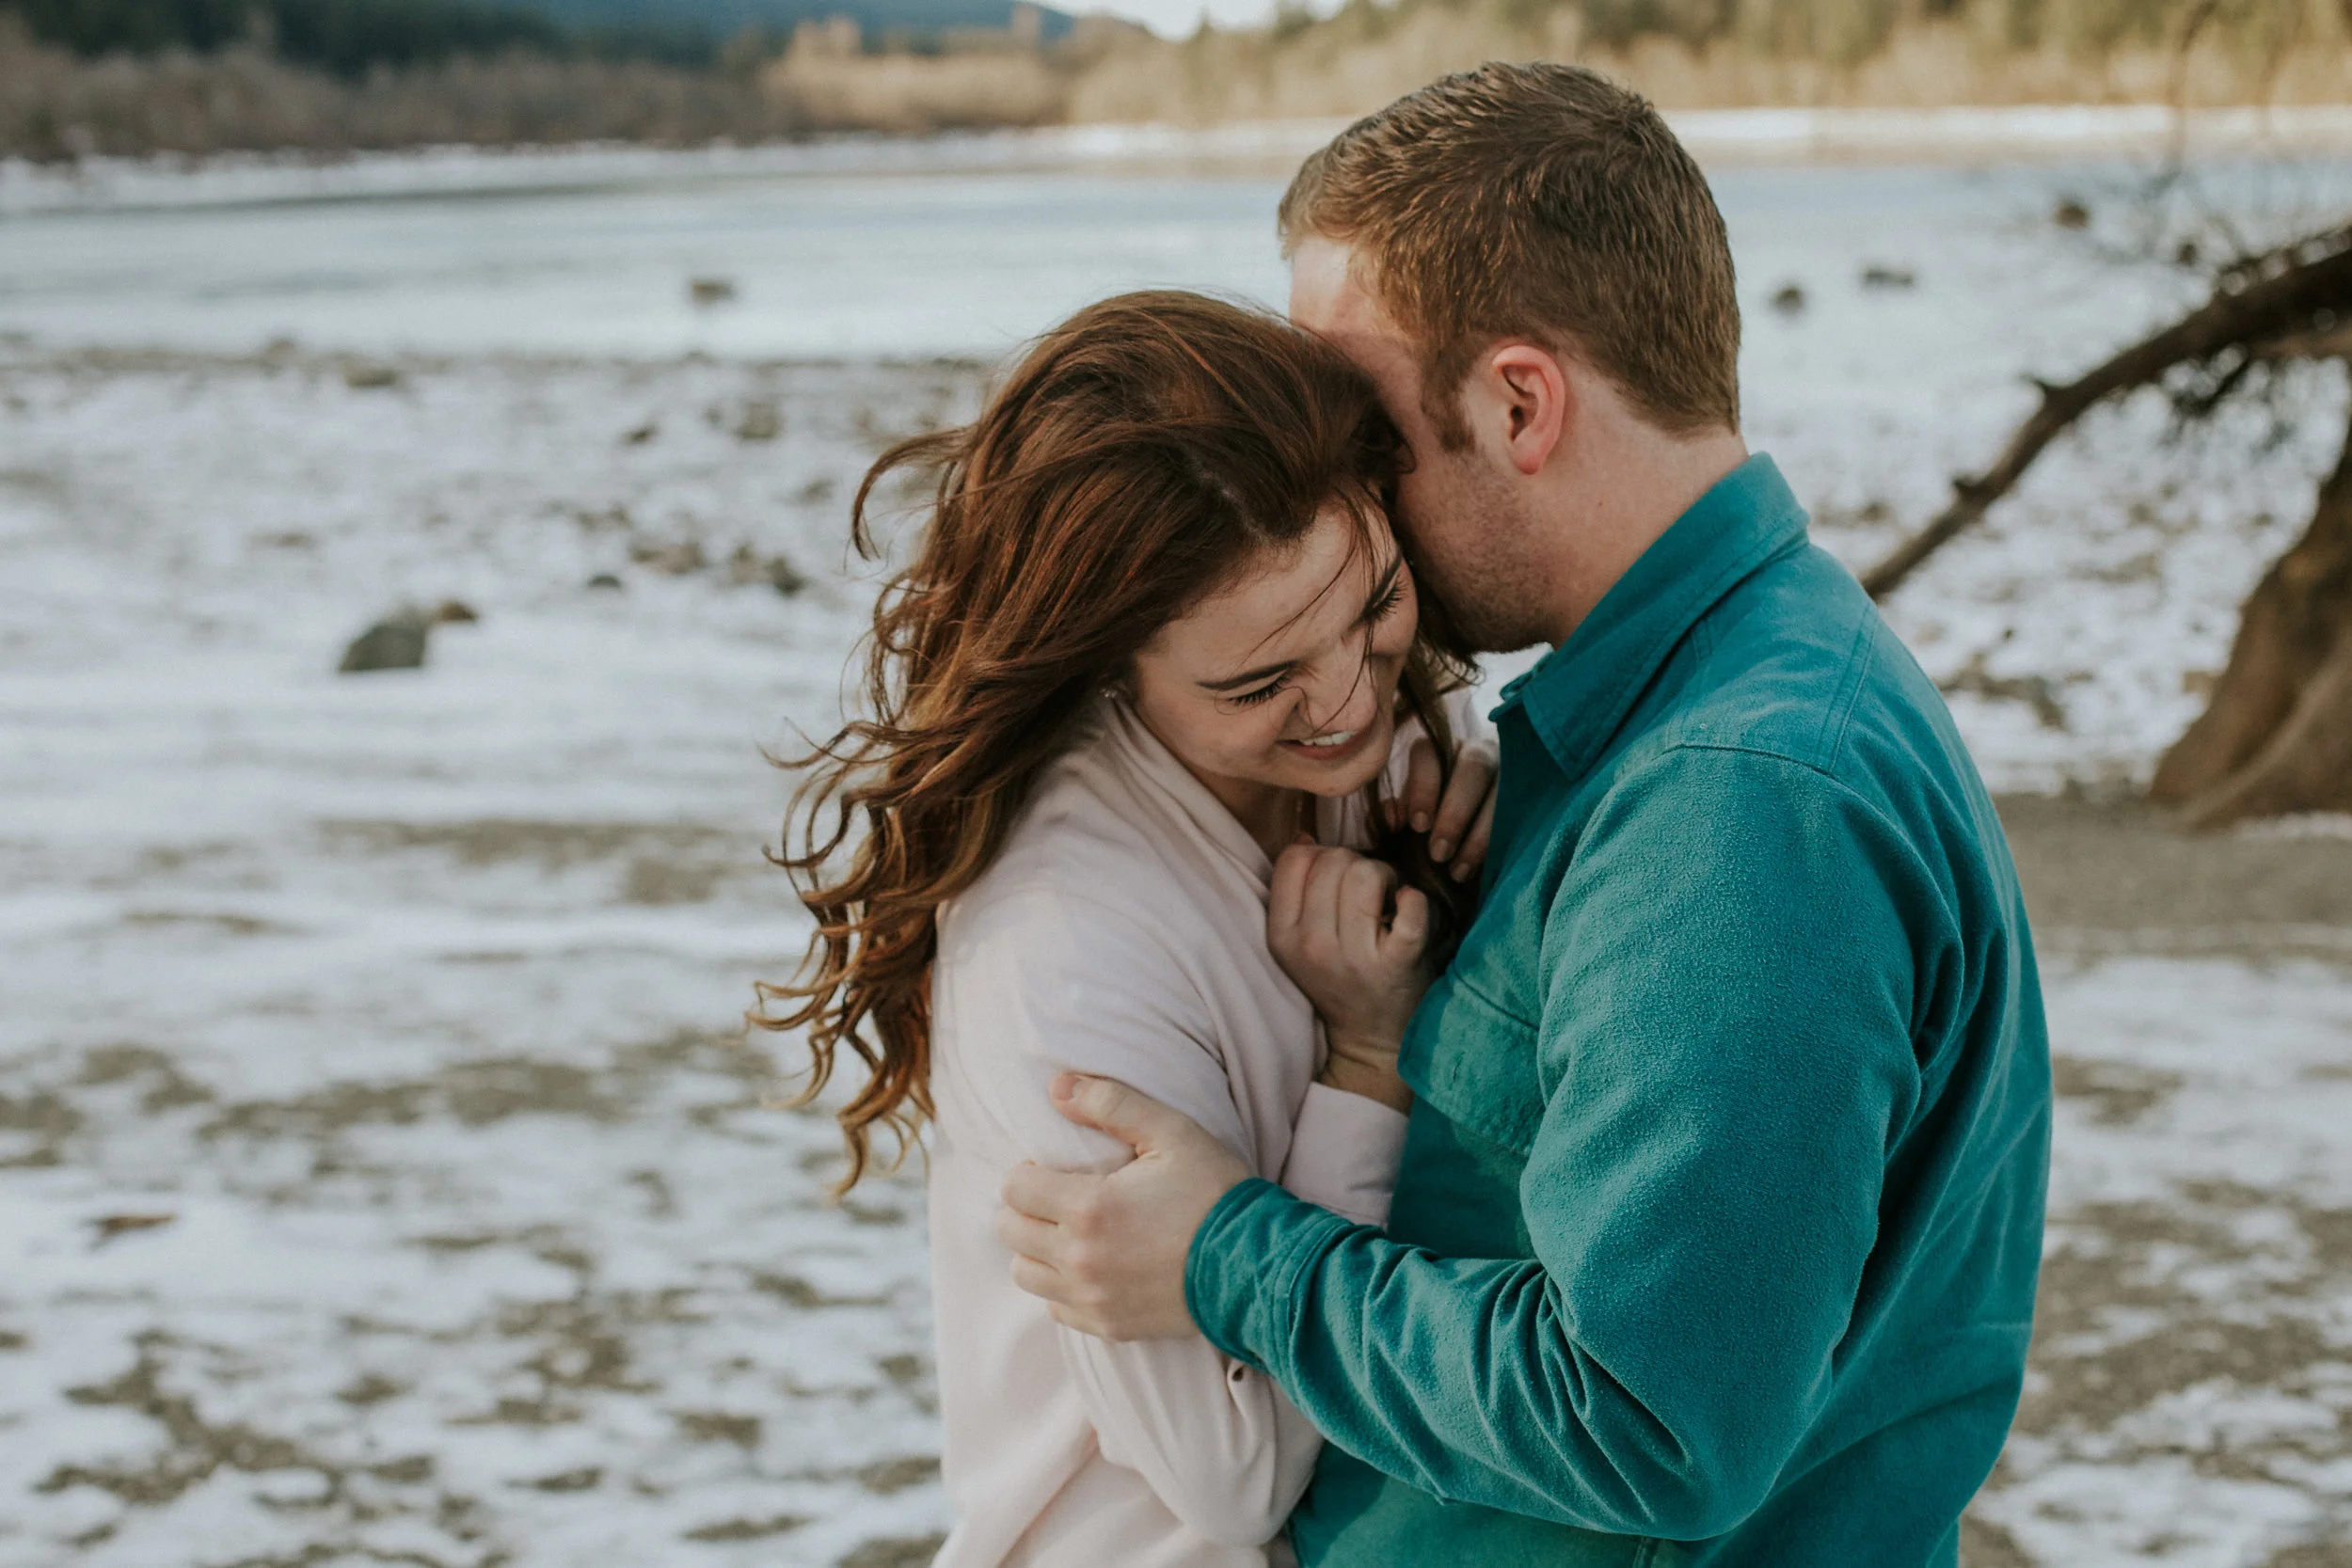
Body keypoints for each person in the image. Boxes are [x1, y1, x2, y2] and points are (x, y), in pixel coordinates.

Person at [995, 63, 2054, 1567]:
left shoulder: (1736, 805)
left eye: (1361, 431)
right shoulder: (1696, 714)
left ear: (1517, 402)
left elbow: (1648, 1416)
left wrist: (1233, 1258)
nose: (1331, 490)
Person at [756, 291, 1502, 1566]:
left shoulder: (1359, 777)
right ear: (1109, 667)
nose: (1347, 698)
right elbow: (1234, 1476)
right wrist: (1366, 1060)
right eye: (1262, 680)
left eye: (1373, 604)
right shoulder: (1064, 949)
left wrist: (1496, 892)